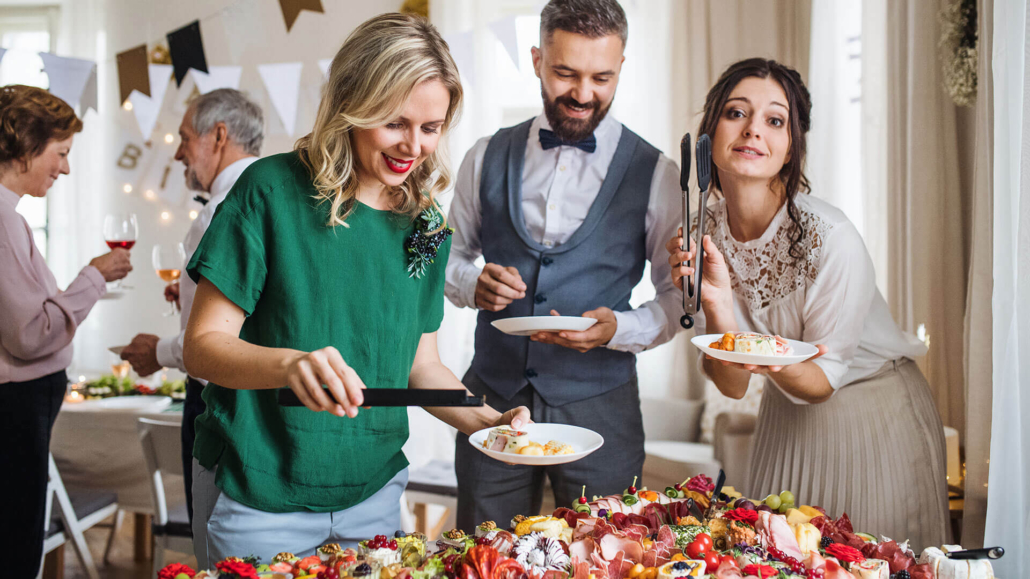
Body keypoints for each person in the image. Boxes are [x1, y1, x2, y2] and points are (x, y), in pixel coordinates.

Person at [180, 13, 530, 566]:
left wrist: (495, 425)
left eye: (431, 127)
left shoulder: (428, 225)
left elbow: (421, 369)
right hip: (259, 495)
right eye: (394, 122)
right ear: (352, 105)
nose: (413, 146)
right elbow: (202, 344)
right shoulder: (268, 191)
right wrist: (289, 365)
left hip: (374, 496)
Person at [665, 58, 947, 550]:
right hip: (784, 420)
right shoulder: (699, 230)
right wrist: (718, 306)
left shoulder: (831, 237)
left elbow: (820, 383)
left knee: (861, 560)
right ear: (711, 129)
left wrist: (747, 346)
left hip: (871, 415)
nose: (754, 129)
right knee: (773, 559)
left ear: (792, 145)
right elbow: (732, 385)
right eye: (737, 112)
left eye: (775, 120)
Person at [446, 0, 682, 531]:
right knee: (482, 552)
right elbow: (442, 256)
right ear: (535, 60)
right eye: (565, 73)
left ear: (622, 66)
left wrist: (619, 328)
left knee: (609, 554)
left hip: (602, 407)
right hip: (491, 399)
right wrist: (470, 282)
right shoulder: (484, 154)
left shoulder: (658, 173)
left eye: (601, 77)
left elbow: (677, 301)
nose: (582, 94)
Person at [0, 85, 132, 578]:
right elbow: (32, 333)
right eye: (61, 153)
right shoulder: (4, 223)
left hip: (19, 406)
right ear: (25, 145)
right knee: (14, 544)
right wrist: (93, 276)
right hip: (14, 409)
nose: (65, 168)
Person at [119, 88, 263, 526]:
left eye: (184, 138)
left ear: (218, 135)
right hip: (265, 402)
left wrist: (157, 352)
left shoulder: (221, 210)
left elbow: (215, 344)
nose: (179, 153)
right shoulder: (278, 198)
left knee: (215, 538)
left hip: (216, 402)